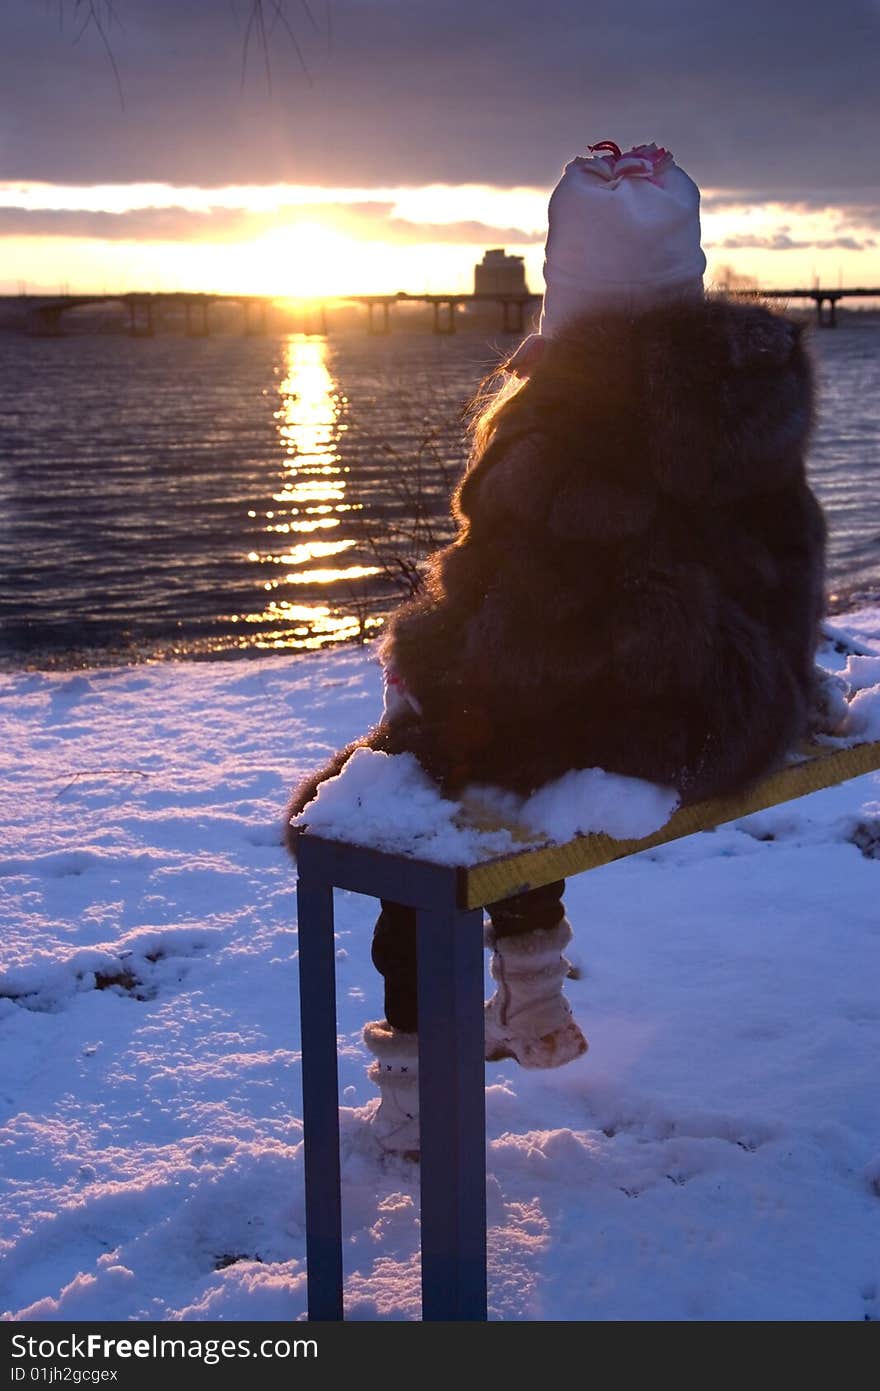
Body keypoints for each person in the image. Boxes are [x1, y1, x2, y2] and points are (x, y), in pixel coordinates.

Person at [286, 141, 827, 1157]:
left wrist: (420, 656)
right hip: (738, 707)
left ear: (563, 285)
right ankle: (528, 986)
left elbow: (533, 647)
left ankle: (414, 1090)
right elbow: (775, 561)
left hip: (638, 724)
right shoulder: (746, 390)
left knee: (409, 781)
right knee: (492, 740)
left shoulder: (564, 426)